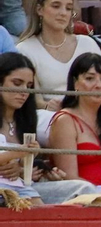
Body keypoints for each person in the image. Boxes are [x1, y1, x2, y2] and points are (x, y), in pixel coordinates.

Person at [0, 54, 89, 203]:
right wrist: (20, 155)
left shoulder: (30, 119)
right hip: (6, 192)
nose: (24, 92)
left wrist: (27, 170)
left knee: (84, 190)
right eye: (17, 83)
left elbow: (26, 169)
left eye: (29, 86)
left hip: (23, 188)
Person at [48, 54, 101, 188]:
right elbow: (69, 177)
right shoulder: (65, 121)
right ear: (75, 83)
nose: (99, 85)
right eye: (90, 78)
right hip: (85, 199)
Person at [17, 0, 100, 107]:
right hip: (49, 116)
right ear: (40, 9)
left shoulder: (87, 43)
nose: (63, 13)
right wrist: (47, 106)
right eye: (56, 6)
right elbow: (34, 100)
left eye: (68, 8)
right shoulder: (24, 49)